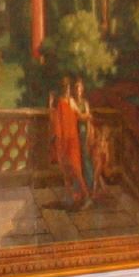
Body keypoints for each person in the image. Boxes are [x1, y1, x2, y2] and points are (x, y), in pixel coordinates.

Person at [50, 75, 87, 208]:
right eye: (65, 87)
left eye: (68, 87)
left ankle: (86, 196)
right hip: (63, 140)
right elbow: (57, 122)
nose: (67, 89)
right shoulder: (60, 102)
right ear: (62, 88)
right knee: (66, 171)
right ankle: (70, 197)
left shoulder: (71, 101)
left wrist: (87, 115)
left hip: (72, 139)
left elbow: (79, 116)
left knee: (76, 169)